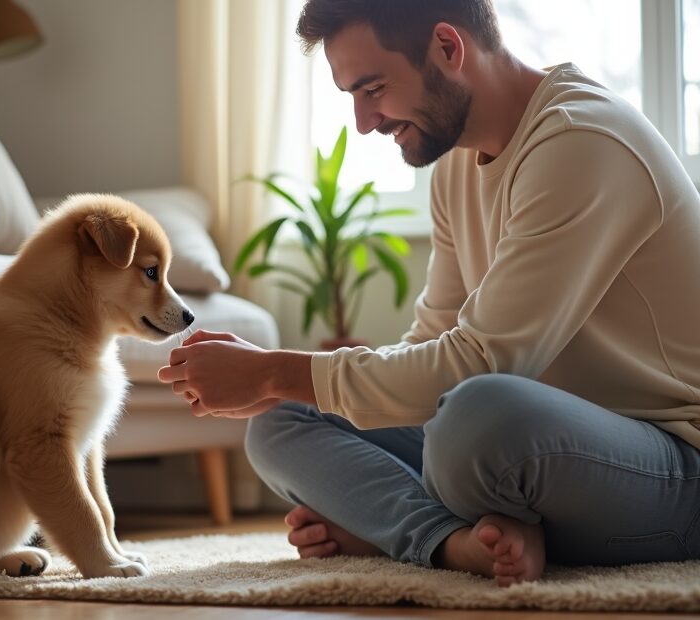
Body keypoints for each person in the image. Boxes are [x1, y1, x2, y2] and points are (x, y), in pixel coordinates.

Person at [158, 0, 700, 586]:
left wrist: (269, 371)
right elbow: (432, 341)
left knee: (472, 422)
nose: (364, 122)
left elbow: (479, 363)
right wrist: (281, 386)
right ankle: (450, 543)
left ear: (448, 47)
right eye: (351, 97)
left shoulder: (581, 142)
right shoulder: (455, 166)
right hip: (537, 447)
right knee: (280, 421)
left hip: (671, 464)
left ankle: (385, 526)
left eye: (373, 89)